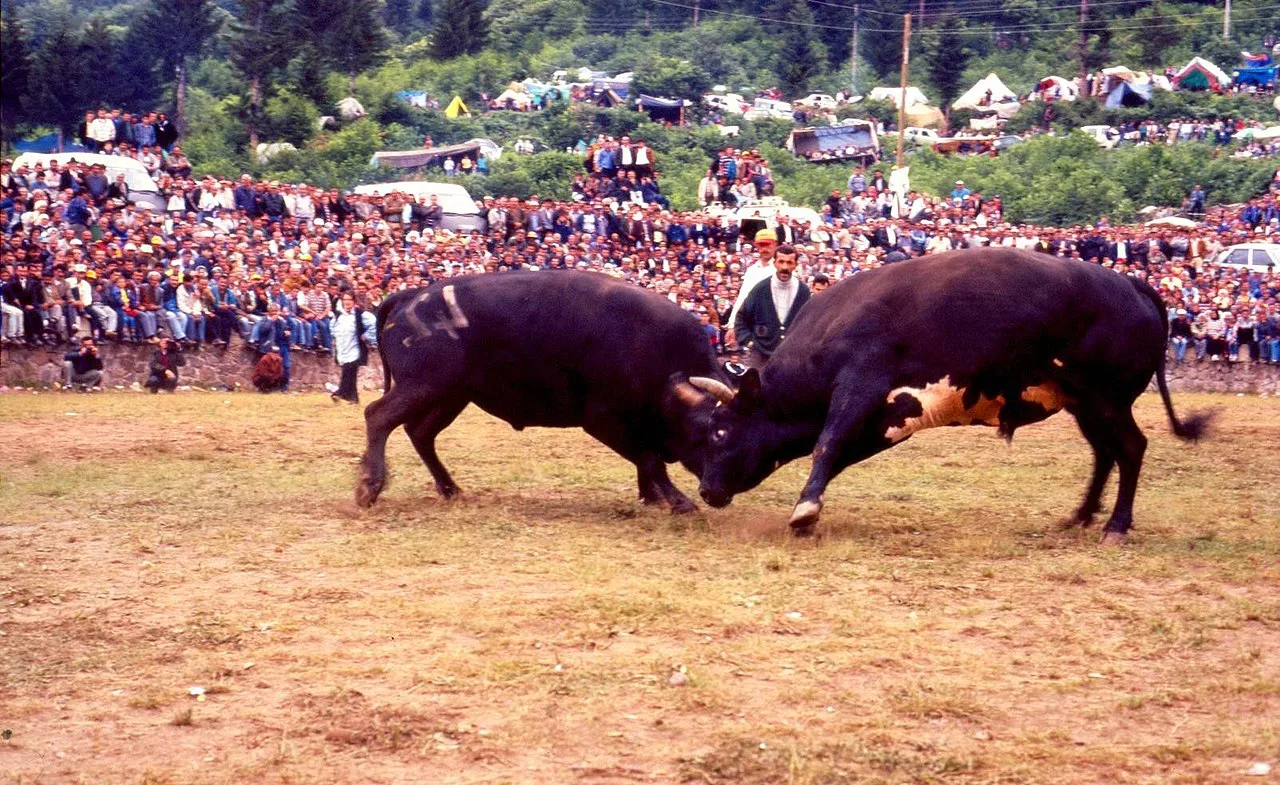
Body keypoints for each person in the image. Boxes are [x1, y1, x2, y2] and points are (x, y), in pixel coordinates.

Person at [732, 244, 812, 368]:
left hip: (791, 357)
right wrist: (749, 342)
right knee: (755, 386)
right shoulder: (760, 289)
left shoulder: (804, 291)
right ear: (774, 263)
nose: (785, 267)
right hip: (760, 354)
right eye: (781, 262)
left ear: (795, 265)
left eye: (789, 262)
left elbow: (810, 322)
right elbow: (741, 317)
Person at [725, 228, 778, 349]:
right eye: (761, 245)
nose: (765, 249)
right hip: (755, 327)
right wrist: (732, 325)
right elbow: (742, 297)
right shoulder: (752, 271)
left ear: (775, 245)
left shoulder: (781, 269)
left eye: (768, 245)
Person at [325, 291, 378, 404]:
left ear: (354, 301)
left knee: (348, 370)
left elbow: (373, 323)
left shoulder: (360, 314)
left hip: (355, 348)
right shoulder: (339, 315)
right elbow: (333, 328)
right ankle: (353, 398)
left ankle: (340, 393)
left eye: (349, 299)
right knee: (350, 372)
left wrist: (367, 336)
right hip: (343, 347)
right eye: (345, 300)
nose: (347, 302)